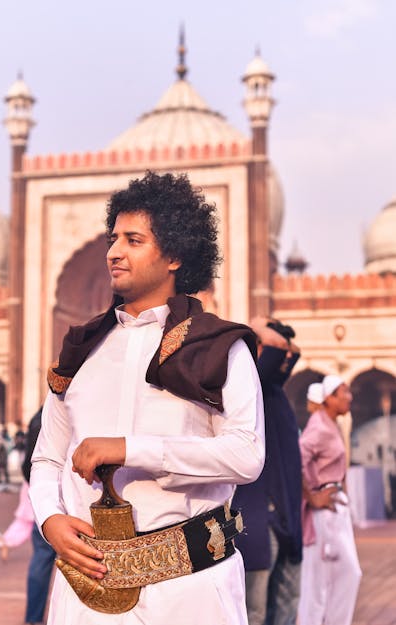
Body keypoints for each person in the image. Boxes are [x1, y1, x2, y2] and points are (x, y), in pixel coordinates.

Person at [29, 171, 265, 625]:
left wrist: (129, 449)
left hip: (189, 590)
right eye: (113, 238)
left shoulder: (219, 347)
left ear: (173, 255)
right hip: (85, 589)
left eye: (133, 240)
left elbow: (247, 455)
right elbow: (47, 458)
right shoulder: (81, 351)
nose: (114, 252)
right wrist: (49, 520)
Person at [233, 317, 303, 625]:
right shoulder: (252, 383)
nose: (285, 357)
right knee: (255, 611)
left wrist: (272, 330)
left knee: (286, 605)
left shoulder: (273, 389)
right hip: (258, 517)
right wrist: (254, 324)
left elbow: (291, 348)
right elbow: (277, 345)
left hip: (283, 514)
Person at [298, 375, 362, 625]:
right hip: (324, 513)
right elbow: (298, 459)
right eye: (344, 392)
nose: (350, 397)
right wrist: (312, 496)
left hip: (334, 509)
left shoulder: (329, 423)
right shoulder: (319, 426)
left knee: (337, 577)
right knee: (326, 580)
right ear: (329, 398)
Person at [22, 408, 55, 625]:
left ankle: (33, 618)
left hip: (45, 500)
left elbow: (28, 466)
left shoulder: (38, 417)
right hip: (76, 503)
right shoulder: (70, 408)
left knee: (41, 561)